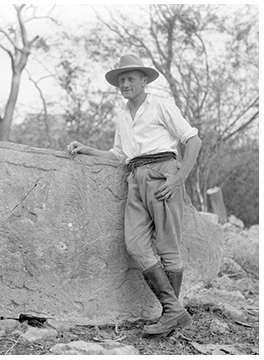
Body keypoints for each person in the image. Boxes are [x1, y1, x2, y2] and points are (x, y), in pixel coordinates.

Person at [67, 54, 202, 338]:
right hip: (134, 177)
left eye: (130, 78)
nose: (125, 83)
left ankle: (169, 314)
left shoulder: (161, 106)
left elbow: (193, 139)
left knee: (168, 246)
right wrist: (87, 149)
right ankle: (175, 311)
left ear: (144, 80)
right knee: (135, 244)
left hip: (162, 172)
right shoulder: (121, 116)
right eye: (121, 80)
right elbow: (119, 154)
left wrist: (179, 178)